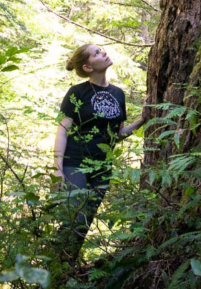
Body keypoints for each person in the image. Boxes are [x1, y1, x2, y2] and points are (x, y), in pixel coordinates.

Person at [52, 43, 145, 265]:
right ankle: (54, 268)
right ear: (87, 67)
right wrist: (56, 168)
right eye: (96, 53)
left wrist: (143, 119)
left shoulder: (118, 94)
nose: (103, 53)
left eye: (101, 50)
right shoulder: (77, 92)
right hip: (75, 162)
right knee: (75, 218)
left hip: (102, 167)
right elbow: (62, 131)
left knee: (84, 224)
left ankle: (66, 269)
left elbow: (117, 133)